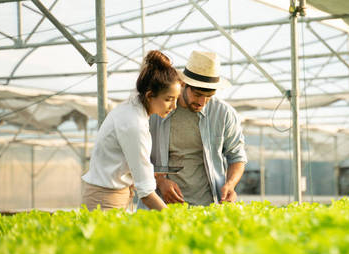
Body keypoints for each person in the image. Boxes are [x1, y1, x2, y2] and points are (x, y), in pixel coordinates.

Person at [139, 50, 247, 207]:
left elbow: (237, 157)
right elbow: (139, 157)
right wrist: (160, 181)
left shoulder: (224, 113)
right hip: (159, 205)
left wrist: (230, 184)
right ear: (183, 85)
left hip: (206, 205)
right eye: (197, 94)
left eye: (208, 96)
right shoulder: (157, 109)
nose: (202, 101)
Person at [81, 50, 181, 211]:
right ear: (149, 96)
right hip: (105, 198)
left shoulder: (133, 109)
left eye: (176, 99)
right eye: (169, 99)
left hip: (115, 193)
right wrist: (175, 221)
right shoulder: (134, 123)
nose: (174, 106)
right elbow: (146, 193)